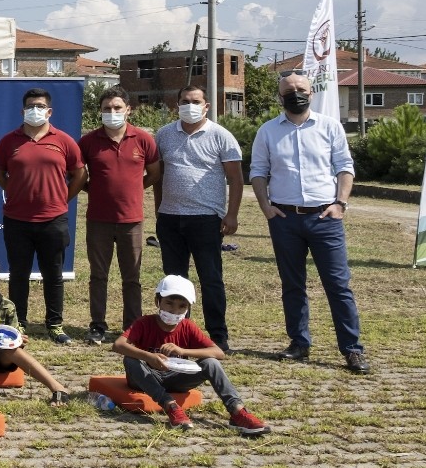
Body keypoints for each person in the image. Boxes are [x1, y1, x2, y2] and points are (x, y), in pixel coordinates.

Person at [250, 73, 369, 374]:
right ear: (279, 97)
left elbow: (344, 167)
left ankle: (352, 350)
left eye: (301, 89)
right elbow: (258, 171)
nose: (295, 94)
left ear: (312, 93)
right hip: (285, 218)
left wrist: (340, 204)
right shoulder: (267, 131)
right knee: (292, 285)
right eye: (289, 91)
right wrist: (265, 207)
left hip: (324, 218)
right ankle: (299, 343)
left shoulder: (330, 127)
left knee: (338, 285)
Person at [111, 276, 272, 435]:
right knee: (130, 360)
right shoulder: (144, 323)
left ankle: (237, 411)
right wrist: (149, 357)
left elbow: (218, 353)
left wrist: (183, 351)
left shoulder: (187, 326)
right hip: (147, 378)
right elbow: (118, 345)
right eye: (169, 303)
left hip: (176, 377)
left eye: (182, 306)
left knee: (211, 363)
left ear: (188, 308)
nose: (174, 311)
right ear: (157, 302)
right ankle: (170, 406)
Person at [153, 85, 243, 352]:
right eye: (184, 101)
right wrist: (159, 209)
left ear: (207, 106)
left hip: (205, 219)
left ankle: (218, 335)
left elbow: (236, 179)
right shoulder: (164, 134)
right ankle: (176, 333)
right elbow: (159, 176)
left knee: (210, 278)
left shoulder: (221, 136)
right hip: (170, 218)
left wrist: (232, 214)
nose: (189, 106)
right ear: (176, 104)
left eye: (195, 101)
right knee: (174, 281)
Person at [0, 87, 84, 344]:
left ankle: (54, 324)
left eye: (40, 105)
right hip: (17, 219)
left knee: (53, 274)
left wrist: (61, 197)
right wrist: (15, 191)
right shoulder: (8, 141)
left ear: (49, 111)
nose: (36, 110)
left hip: (53, 219)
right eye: (31, 106)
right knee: (18, 273)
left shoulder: (64, 140)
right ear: (23, 111)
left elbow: (79, 174)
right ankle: (18, 322)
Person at [75, 87, 162, 345]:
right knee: (98, 276)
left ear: (128, 110)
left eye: (117, 108)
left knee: (132, 277)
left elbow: (154, 173)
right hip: (98, 220)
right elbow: (79, 177)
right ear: (100, 111)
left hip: (131, 220)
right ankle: (97, 326)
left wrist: (135, 188)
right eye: (106, 109)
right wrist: (97, 190)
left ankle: (132, 327)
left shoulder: (143, 139)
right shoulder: (89, 141)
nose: (112, 113)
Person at [0, 256, 71, 403]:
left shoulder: (7, 305)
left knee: (13, 349)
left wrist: (19, 340)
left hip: (4, 358)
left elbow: (12, 334)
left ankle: (57, 387)